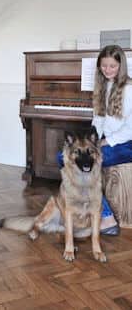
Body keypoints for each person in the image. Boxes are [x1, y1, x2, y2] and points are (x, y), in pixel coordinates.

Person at [58, 44, 132, 235]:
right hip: (105, 140)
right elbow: (98, 120)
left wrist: (105, 143)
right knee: (63, 157)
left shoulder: (129, 89)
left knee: (94, 161)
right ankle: (82, 207)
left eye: (112, 66)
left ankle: (106, 216)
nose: (108, 70)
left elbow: (130, 130)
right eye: (104, 66)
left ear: (121, 66)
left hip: (126, 143)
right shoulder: (103, 85)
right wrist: (93, 141)